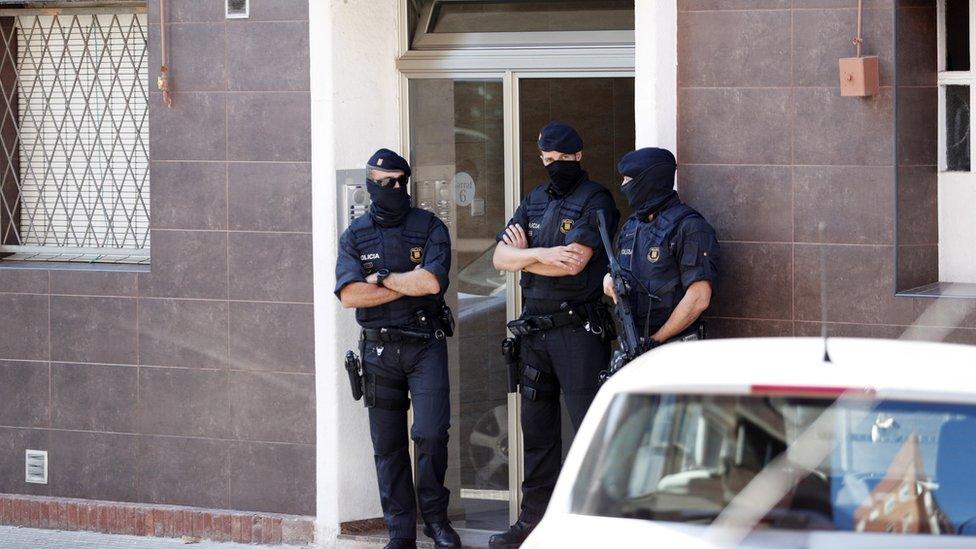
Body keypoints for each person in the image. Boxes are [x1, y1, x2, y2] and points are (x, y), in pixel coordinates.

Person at [489, 122, 620, 548]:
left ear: (579, 156)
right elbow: (499, 258)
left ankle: (594, 528)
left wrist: (524, 257)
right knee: (537, 433)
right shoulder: (535, 198)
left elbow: (576, 263)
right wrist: (542, 254)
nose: (555, 166)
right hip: (535, 335)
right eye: (548, 160)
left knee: (589, 432)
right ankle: (533, 523)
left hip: (577, 332)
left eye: (563, 159)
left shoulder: (596, 198)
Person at [335, 149, 461, 549]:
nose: (394, 188)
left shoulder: (429, 227)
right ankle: (400, 531)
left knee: (429, 435)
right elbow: (351, 295)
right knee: (387, 446)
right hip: (378, 353)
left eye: (400, 181)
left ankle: (436, 520)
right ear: (370, 183)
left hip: (424, 346)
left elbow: (431, 284)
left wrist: (381, 277)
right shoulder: (355, 235)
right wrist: (402, 282)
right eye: (385, 181)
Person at [603, 147, 719, 353]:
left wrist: (655, 341)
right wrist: (609, 281)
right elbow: (616, 273)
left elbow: (699, 298)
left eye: (628, 180)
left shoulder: (689, 227)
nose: (623, 186)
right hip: (635, 347)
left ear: (648, 181)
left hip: (674, 351)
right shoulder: (631, 227)